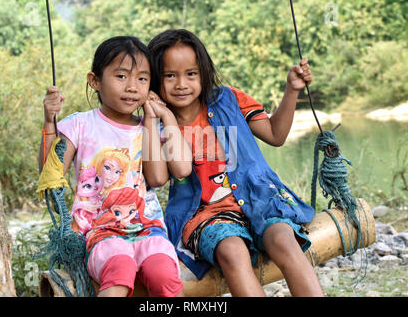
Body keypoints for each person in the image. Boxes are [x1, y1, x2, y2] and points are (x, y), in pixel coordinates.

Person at [147, 29, 324, 297]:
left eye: (191, 74)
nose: (181, 84)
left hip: (259, 199)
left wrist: (292, 90)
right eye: (170, 75)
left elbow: (276, 135)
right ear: (154, 80)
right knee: (231, 250)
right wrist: (157, 116)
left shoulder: (228, 99)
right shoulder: (155, 126)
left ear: (204, 72)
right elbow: (157, 178)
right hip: (205, 215)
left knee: (284, 240)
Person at [38, 36, 192, 297]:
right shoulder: (80, 124)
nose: (132, 87)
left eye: (142, 79)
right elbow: (50, 173)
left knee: (164, 274)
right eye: (121, 77)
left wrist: (157, 118)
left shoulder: (149, 125)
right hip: (98, 231)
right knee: (120, 269)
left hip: (147, 228)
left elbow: (157, 178)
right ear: (95, 80)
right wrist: (50, 122)